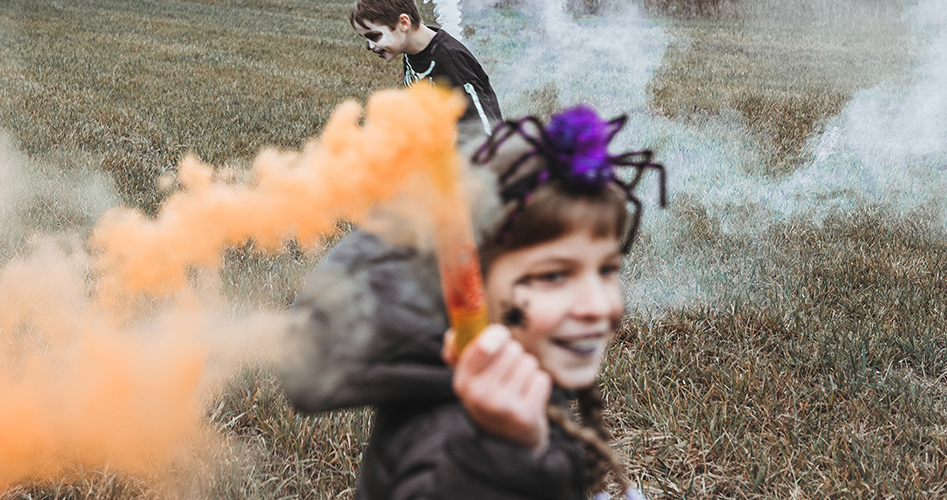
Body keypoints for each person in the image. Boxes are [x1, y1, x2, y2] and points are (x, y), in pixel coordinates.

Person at [280, 105, 664, 499]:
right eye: (553, 275)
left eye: (606, 270)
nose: (597, 306)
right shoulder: (459, 438)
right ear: (473, 286)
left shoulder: (514, 379)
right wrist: (501, 459)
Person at [350, 0, 502, 135]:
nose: (369, 46)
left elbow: (484, 130)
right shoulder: (411, 53)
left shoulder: (449, 60)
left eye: (374, 36)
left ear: (403, 23)